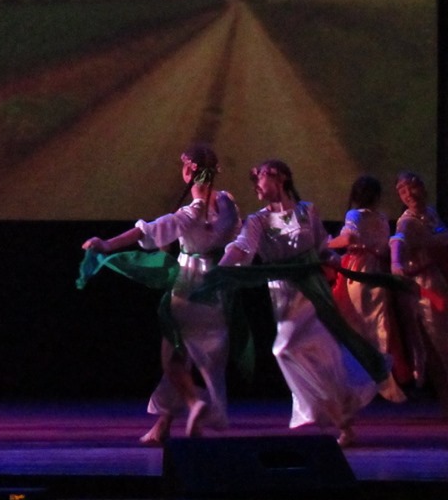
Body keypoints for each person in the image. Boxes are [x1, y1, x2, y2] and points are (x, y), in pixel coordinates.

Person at [81, 144, 240, 445]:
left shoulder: (189, 213)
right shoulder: (228, 204)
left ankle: (194, 402)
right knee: (201, 358)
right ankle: (163, 426)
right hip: (217, 288)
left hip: (189, 286)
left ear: (190, 170)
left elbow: (146, 232)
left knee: (172, 360)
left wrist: (106, 244)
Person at [216, 160, 380, 447]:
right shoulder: (258, 221)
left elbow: (322, 247)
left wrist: (335, 261)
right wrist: (220, 270)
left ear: (280, 178)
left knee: (308, 353)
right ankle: (341, 422)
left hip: (313, 291)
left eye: (260, 178)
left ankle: (337, 418)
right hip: (284, 295)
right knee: (300, 352)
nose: (256, 185)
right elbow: (242, 248)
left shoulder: (307, 211)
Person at [327, 175, 406, 403]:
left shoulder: (355, 215)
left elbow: (348, 238)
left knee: (354, 324)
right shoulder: (381, 218)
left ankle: (356, 383)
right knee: (377, 323)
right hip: (377, 272)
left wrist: (326, 243)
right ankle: (380, 381)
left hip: (358, 272)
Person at [389, 171, 448, 413]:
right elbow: (398, 241)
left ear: (422, 188)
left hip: (439, 280)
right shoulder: (407, 221)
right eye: (402, 191)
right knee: (436, 342)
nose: (408, 194)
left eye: (411, 188)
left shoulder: (431, 214)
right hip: (423, 289)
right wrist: (396, 263)